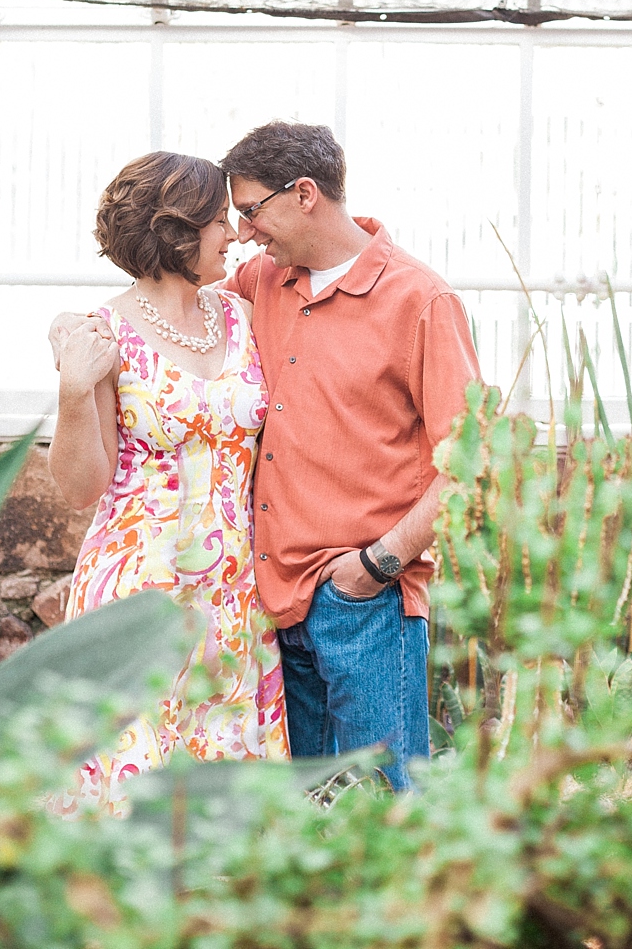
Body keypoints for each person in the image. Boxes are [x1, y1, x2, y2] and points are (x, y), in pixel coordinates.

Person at [52, 124, 479, 791]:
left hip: (336, 591)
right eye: (226, 220)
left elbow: (471, 460)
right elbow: (150, 311)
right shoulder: (256, 288)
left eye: (246, 213)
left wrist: (379, 564)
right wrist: (71, 362)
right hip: (242, 592)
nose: (242, 233)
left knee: (387, 790)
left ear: (303, 195)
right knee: (279, 797)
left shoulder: (410, 301)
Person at [49, 150, 289, 816]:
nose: (236, 233)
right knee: (132, 783)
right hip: (137, 592)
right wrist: (74, 390)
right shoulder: (103, 334)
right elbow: (79, 486)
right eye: (219, 222)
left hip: (234, 594)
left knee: (223, 788)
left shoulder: (241, 314)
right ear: (176, 232)